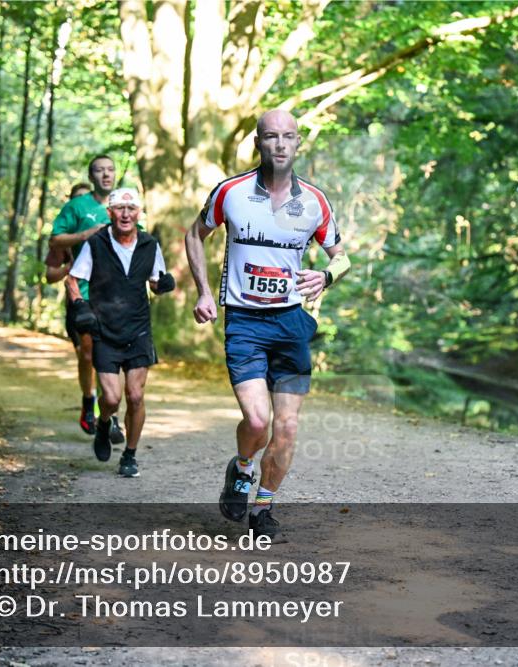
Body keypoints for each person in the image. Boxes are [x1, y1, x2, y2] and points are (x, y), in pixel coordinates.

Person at [185, 109, 350, 538]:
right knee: (257, 422)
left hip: (292, 324)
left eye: (288, 137)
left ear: (298, 144)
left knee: (288, 426)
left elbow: (342, 256)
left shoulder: (314, 201)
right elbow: (193, 235)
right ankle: (241, 468)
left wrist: (327, 275)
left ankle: (263, 508)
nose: (280, 144)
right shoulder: (231, 192)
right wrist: (204, 290)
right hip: (245, 323)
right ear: (257, 143)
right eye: (271, 136)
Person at [66, 187, 175, 477]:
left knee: (136, 396)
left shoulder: (150, 244)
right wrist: (80, 306)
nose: (125, 214)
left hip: (138, 330)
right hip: (105, 330)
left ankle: (129, 455)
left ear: (139, 213)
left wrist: (163, 285)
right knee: (112, 399)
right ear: (110, 212)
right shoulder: (97, 243)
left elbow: (155, 281)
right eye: (119, 208)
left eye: (131, 209)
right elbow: (73, 280)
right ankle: (104, 423)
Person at [49, 159, 124, 442]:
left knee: (116, 356)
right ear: (91, 176)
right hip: (84, 291)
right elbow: (55, 240)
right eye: (99, 170)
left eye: (110, 169)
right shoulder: (76, 208)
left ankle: (111, 415)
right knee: (89, 352)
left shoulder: (123, 204)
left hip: (117, 293)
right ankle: (88, 400)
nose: (106, 174)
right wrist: (85, 235)